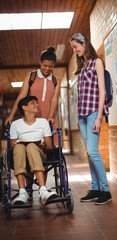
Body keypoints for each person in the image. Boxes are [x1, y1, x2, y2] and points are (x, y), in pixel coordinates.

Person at [5, 47, 60, 196]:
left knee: (46, 151)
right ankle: (28, 187)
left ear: (53, 65)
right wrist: (12, 115)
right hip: (31, 115)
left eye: (51, 66)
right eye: (45, 65)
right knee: (27, 147)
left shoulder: (55, 80)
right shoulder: (31, 76)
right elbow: (22, 96)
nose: (47, 69)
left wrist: (51, 116)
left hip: (47, 118)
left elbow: (54, 100)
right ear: (40, 63)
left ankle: (43, 188)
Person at [70, 33, 112, 205]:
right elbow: (81, 95)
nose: (74, 50)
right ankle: (95, 188)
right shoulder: (81, 67)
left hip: (94, 112)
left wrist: (99, 116)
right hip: (82, 115)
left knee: (93, 151)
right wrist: (79, 118)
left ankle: (106, 190)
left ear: (84, 43)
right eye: (73, 48)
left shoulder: (97, 62)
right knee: (89, 152)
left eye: (75, 46)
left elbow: (102, 91)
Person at [10, 95, 57, 205]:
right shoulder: (15, 125)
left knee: (31, 146)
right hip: (21, 156)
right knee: (18, 147)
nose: (37, 105)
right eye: (33, 103)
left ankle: (43, 190)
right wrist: (17, 144)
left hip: (39, 153)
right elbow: (13, 145)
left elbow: (50, 147)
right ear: (24, 107)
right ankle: (22, 192)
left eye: (37, 102)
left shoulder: (43, 122)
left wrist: (45, 144)